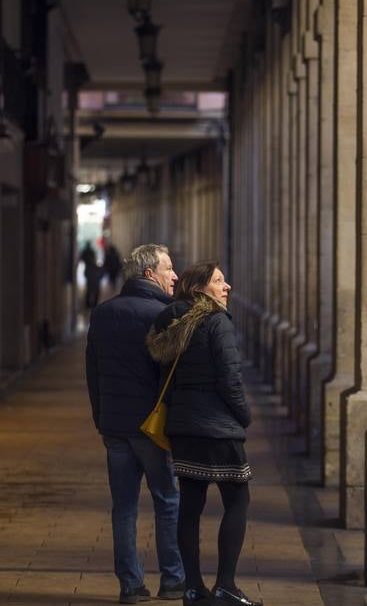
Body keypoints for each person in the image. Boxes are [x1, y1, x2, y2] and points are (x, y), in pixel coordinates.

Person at [147, 263, 261, 606]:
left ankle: (194, 588)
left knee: (190, 507)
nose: (227, 286)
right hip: (218, 428)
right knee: (238, 501)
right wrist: (244, 416)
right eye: (218, 280)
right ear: (199, 288)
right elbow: (230, 378)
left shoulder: (169, 323)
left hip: (183, 427)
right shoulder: (216, 322)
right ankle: (225, 584)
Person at [86, 244, 185, 605]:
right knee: (168, 501)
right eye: (168, 268)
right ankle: (173, 579)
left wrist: (101, 418)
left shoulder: (102, 313)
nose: (174, 275)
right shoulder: (165, 314)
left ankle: (131, 585)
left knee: (124, 507)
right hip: (151, 429)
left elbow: (92, 373)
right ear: (150, 274)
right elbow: (171, 377)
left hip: (114, 427)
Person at [79, 240, 101, 310]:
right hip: (93, 276)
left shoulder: (86, 251)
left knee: (89, 290)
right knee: (94, 290)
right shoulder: (91, 251)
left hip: (89, 274)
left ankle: (88, 304)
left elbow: (81, 258)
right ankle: (93, 304)